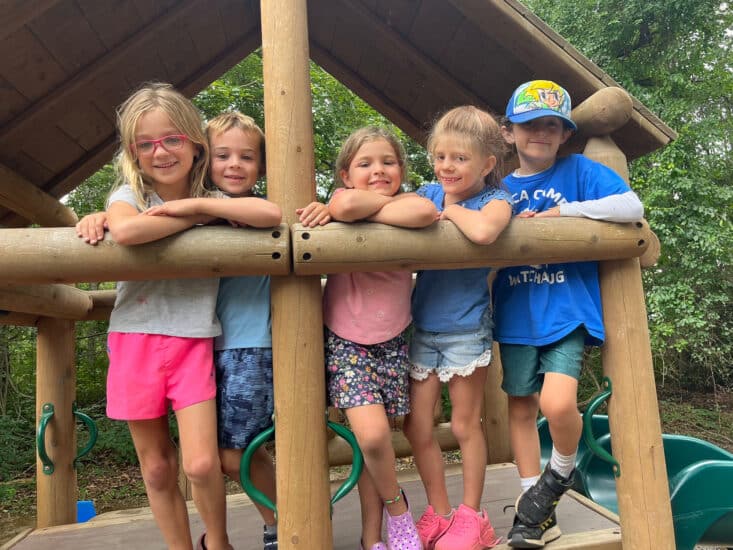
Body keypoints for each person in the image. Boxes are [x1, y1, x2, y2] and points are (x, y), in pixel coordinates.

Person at [77, 109, 283, 550]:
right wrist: (191, 217)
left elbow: (269, 213)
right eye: (146, 144)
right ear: (133, 152)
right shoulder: (129, 193)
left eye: (171, 140)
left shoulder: (216, 198)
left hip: (195, 338)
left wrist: (197, 207)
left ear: (194, 146)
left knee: (204, 463)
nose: (161, 152)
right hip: (135, 337)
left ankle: (220, 542)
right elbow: (130, 229)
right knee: (155, 467)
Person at [494, 80, 644, 548]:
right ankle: (533, 512)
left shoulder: (578, 170)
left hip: (567, 310)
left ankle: (558, 475)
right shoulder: (497, 188)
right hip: (516, 312)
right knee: (520, 408)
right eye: (529, 125)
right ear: (508, 133)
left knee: (556, 404)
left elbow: (631, 206)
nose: (540, 132)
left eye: (551, 126)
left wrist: (567, 215)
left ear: (564, 135)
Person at [145, 111, 282, 549]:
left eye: (247, 156)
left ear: (261, 165)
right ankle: (282, 517)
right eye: (223, 155)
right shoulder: (194, 212)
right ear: (206, 159)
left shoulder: (242, 210)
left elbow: (270, 213)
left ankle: (285, 520)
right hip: (199, 347)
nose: (234, 165)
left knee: (234, 454)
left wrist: (201, 206)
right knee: (225, 453)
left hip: (248, 347)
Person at [314, 127, 437, 550]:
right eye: (365, 164)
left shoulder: (413, 201)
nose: (378, 170)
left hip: (394, 337)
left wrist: (371, 210)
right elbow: (345, 203)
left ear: (402, 170)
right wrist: (362, 209)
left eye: (388, 162)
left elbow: (423, 213)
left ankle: (372, 538)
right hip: (346, 338)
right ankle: (398, 507)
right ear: (346, 174)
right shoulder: (343, 200)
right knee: (372, 437)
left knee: (380, 442)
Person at [404, 106, 513, 550]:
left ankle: (472, 517)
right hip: (422, 327)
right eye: (441, 156)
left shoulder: (496, 200)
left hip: (467, 328)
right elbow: (392, 213)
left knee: (465, 424)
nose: (446, 167)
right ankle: (439, 510)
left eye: (460, 159)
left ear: (487, 164)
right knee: (417, 426)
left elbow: (486, 233)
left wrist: (449, 214)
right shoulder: (427, 192)